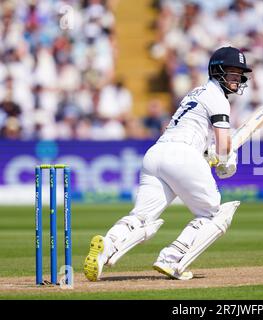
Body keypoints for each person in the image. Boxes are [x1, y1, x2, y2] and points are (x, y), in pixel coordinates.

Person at [83, 46, 252, 281]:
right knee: (214, 214)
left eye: (239, 74)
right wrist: (226, 161)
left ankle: (108, 245)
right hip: (181, 155)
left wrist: (211, 154)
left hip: (157, 153)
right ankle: (172, 259)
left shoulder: (195, 93)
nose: (237, 78)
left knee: (141, 216)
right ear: (217, 70)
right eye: (232, 72)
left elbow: (199, 137)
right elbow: (223, 145)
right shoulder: (219, 98)